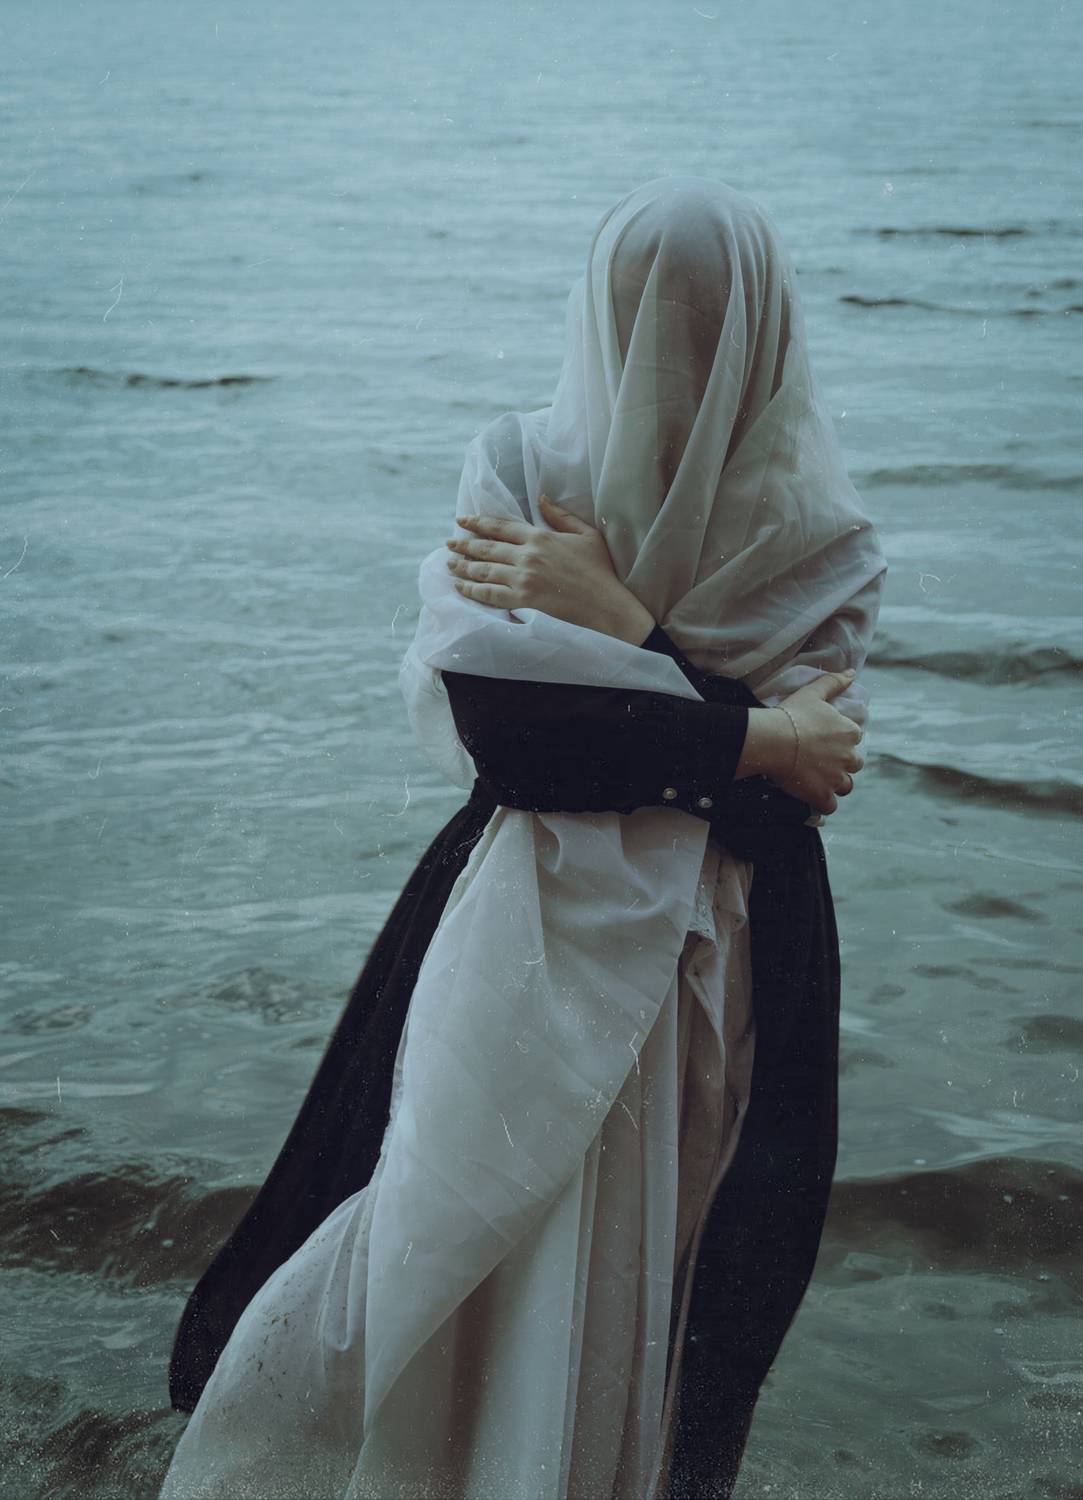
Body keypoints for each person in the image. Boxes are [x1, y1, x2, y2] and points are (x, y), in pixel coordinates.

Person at [160, 175, 887, 1499]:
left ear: (757, 330)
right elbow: (515, 739)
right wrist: (752, 733)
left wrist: (623, 631)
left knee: (666, 1260)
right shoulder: (525, 471)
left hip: (718, 953)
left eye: (695, 317)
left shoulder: (818, 542)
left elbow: (792, 795)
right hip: (533, 926)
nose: (662, 345)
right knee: (447, 1218)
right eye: (638, 309)